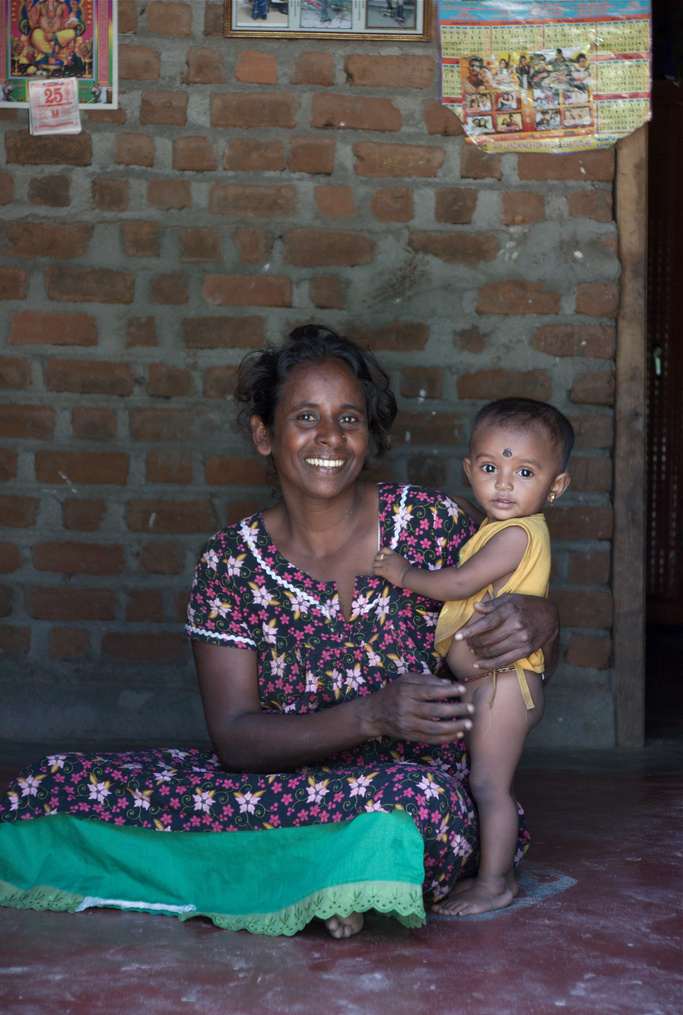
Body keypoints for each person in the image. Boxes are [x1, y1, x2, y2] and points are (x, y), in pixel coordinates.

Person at [0, 328, 559, 939]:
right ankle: (326, 875)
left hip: (411, 788)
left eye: (349, 418)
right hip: (279, 791)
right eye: (305, 417)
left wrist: (543, 621)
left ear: (369, 435)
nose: (330, 436)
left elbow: (525, 664)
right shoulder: (230, 562)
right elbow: (235, 741)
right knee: (57, 781)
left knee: (414, 802)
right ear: (264, 434)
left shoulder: (433, 523)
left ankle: (297, 869)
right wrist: (371, 714)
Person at [373, 398, 572, 915]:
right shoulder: (498, 528)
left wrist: (402, 573)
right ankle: (496, 874)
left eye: (524, 472)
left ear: (556, 486)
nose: (504, 484)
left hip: (504, 683)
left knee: (489, 786)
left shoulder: (515, 533)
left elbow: (459, 584)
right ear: (469, 469)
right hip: (491, 683)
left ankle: (494, 884)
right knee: (485, 783)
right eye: (489, 468)